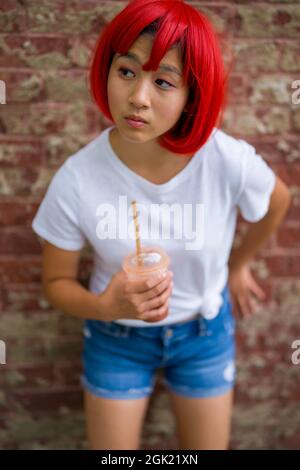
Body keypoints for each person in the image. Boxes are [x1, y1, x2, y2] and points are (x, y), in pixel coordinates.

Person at [31, 0, 291, 450]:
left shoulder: (222, 159)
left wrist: (238, 265)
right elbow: (55, 283)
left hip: (204, 332)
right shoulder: (77, 177)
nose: (138, 98)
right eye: (127, 72)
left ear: (192, 94)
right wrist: (108, 307)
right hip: (116, 340)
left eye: (164, 82)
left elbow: (277, 202)